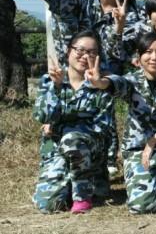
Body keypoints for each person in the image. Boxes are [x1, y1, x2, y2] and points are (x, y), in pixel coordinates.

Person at [18, 0, 140, 174]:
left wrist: (119, 27)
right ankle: (68, 147)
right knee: (77, 107)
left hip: (107, 70)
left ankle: (108, 158)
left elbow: (120, 53)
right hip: (80, 66)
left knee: (105, 111)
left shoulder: (132, 13)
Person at [87, 33, 156, 214]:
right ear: (139, 57)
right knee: (143, 206)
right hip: (139, 151)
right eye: (148, 52)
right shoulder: (132, 81)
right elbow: (117, 84)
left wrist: (155, 139)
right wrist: (101, 82)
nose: (154, 57)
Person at [32, 31, 114, 214]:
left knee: (72, 139)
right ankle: (69, 185)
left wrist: (64, 126)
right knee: (48, 206)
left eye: (92, 52)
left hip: (90, 151)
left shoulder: (101, 84)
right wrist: (56, 87)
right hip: (56, 150)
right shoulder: (49, 80)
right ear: (69, 51)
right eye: (80, 50)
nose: (85, 56)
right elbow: (42, 116)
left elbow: (103, 126)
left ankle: (82, 197)